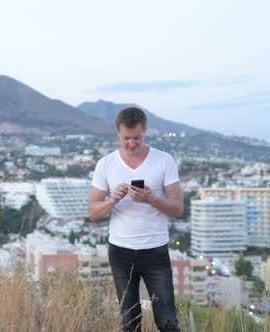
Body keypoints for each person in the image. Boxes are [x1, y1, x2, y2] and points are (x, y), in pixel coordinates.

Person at [88, 107, 183, 332]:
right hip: (121, 252)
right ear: (117, 134)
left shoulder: (164, 160)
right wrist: (113, 200)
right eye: (126, 138)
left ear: (145, 131)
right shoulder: (106, 164)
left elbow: (177, 208)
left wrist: (150, 198)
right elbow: (93, 212)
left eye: (137, 138)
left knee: (168, 320)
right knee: (129, 323)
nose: (132, 143)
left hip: (155, 250)